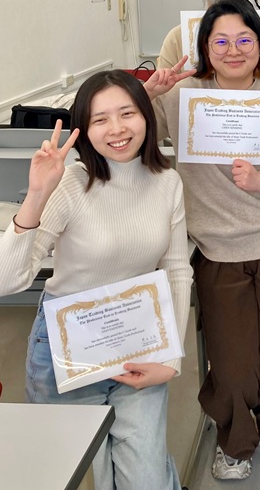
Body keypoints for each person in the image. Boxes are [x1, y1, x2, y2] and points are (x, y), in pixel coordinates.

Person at [146, 0, 260, 480]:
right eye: (220, 40)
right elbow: (131, 136)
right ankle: (235, 442)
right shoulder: (182, 97)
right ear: (205, 48)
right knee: (233, 365)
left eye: (244, 39)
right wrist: (149, 93)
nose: (233, 49)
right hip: (217, 251)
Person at [0, 70, 193, 490]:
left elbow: (178, 269)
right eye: (100, 119)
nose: (117, 129)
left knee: (146, 479)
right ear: (84, 130)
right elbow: (7, 280)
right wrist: (37, 194)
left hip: (137, 339)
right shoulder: (71, 184)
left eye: (127, 113)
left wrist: (170, 360)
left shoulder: (167, 182)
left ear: (146, 115)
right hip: (67, 344)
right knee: (59, 472)